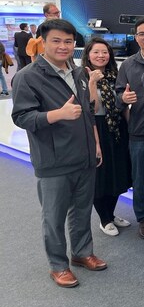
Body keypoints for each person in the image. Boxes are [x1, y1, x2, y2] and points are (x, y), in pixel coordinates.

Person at [11, 19, 106, 288]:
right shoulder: (28, 76)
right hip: (53, 159)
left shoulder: (77, 72)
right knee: (53, 217)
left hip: (84, 155)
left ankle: (82, 253)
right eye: (56, 41)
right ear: (43, 42)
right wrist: (57, 115)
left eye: (68, 41)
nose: (63, 46)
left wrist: (95, 144)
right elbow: (21, 117)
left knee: (82, 210)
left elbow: (87, 112)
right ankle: (58, 265)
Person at [115, 17, 144, 239]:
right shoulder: (128, 65)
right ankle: (143, 218)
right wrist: (122, 98)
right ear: (136, 37)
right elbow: (117, 95)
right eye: (142, 34)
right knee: (140, 179)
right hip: (139, 131)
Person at [82, 38, 132, 237]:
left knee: (119, 174)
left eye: (105, 52)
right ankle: (104, 219)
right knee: (101, 178)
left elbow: (122, 104)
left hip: (117, 127)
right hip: (97, 128)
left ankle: (110, 214)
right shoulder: (82, 77)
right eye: (96, 52)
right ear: (88, 55)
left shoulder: (115, 76)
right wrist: (92, 82)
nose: (101, 56)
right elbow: (92, 108)